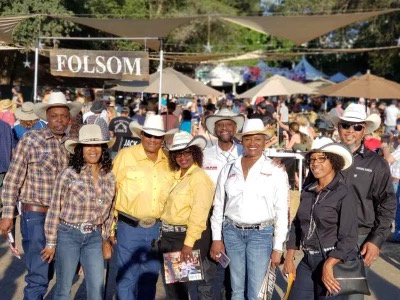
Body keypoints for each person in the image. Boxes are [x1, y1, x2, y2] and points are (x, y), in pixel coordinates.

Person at [0, 91, 81, 300]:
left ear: (69, 118)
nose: (59, 121)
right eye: (54, 116)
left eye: (63, 116)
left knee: (62, 271)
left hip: (65, 217)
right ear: (47, 116)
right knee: (38, 274)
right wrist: (7, 214)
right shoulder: (31, 139)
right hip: (36, 214)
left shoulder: (74, 144)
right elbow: (12, 179)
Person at [210, 118, 289, 300]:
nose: (252, 143)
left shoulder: (276, 170)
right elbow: (219, 205)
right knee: (236, 289)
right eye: (248, 139)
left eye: (257, 139)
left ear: (264, 141)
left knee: (256, 293)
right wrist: (216, 238)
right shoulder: (229, 168)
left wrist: (278, 247)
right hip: (231, 232)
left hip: (261, 234)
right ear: (241, 141)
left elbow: (282, 212)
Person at [330, 103, 396, 300]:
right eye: (346, 125)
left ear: (364, 130)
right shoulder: (325, 157)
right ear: (339, 127)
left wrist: (376, 241)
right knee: (325, 294)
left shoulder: (376, 164)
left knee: (351, 295)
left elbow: (387, 203)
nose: (350, 131)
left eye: (357, 127)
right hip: (327, 234)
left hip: (359, 238)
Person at [41, 124, 115, 300]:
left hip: (95, 237)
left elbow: (110, 210)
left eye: (97, 145)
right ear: (80, 149)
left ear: (103, 149)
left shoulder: (109, 176)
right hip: (68, 234)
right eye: (88, 145)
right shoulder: (68, 174)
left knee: (97, 289)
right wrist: (51, 243)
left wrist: (105, 237)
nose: (92, 150)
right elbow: (54, 209)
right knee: (63, 289)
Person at [283, 137, 357, 299]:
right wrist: (289, 258)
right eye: (312, 159)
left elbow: (349, 237)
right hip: (308, 260)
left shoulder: (344, 193)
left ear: (334, 161)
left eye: (321, 158)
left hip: (333, 261)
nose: (315, 163)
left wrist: (329, 264)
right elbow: (296, 226)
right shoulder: (307, 190)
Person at [111, 114, 175, 300]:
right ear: (141, 135)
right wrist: (109, 228)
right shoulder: (125, 156)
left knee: (150, 277)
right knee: (127, 277)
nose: (152, 140)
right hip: (128, 227)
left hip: (157, 229)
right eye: (148, 135)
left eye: (157, 136)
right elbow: (110, 192)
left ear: (163, 139)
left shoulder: (170, 160)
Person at [160, 131, 214, 300]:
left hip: (183, 237)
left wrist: (188, 245)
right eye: (178, 153)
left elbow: (199, 214)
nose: (182, 157)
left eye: (186, 152)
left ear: (194, 153)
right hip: (169, 235)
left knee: (181, 290)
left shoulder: (199, 178)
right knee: (173, 288)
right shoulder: (176, 175)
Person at [201, 108, 245, 299]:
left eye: (228, 124)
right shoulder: (204, 155)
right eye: (220, 125)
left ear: (235, 128)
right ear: (214, 129)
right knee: (207, 268)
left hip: (238, 216)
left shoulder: (246, 152)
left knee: (234, 270)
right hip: (209, 216)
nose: (224, 128)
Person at [380, 136, 400, 241]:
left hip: (396, 180)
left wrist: (385, 149)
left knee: (393, 207)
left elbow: (388, 159)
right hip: (396, 180)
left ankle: (397, 235)